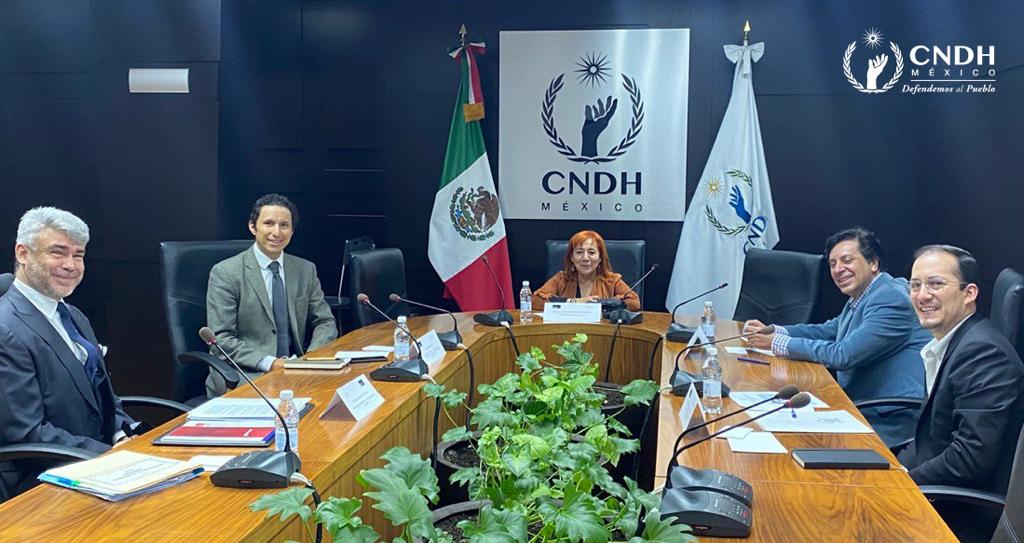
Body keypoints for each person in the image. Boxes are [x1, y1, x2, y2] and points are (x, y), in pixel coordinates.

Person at [742, 227, 929, 447]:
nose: (839, 269)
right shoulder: (865, 295)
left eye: (847, 260)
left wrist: (778, 343)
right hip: (860, 406)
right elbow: (827, 330)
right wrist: (774, 330)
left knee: (794, 439)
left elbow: (843, 355)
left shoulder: (889, 299)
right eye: (833, 264)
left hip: (887, 417)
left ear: (873, 263)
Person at [0, 207, 136, 500]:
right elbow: (26, 433)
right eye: (58, 252)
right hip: (42, 482)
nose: (71, 265)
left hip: (98, 465)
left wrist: (123, 434)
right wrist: (110, 455)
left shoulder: (73, 316)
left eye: (78, 255)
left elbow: (104, 396)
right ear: (23, 254)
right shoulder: (5, 328)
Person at [899, 245, 1024, 494]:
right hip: (931, 484)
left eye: (935, 284)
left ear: (969, 293)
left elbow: (968, 461)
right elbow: (934, 439)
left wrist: (900, 483)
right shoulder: (953, 342)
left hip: (954, 505)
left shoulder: (984, 354)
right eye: (915, 285)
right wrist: (892, 466)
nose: (922, 296)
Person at [205, 194, 337, 396]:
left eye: (284, 225)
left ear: (292, 231)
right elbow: (221, 339)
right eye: (268, 223)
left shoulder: (305, 270)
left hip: (297, 370)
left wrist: (311, 358)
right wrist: (271, 363)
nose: (277, 232)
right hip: (245, 373)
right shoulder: (226, 272)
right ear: (253, 227)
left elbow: (325, 321)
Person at [532, 230, 641, 311]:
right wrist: (575, 302)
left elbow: (634, 302)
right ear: (572, 258)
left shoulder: (612, 280)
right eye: (579, 252)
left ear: (600, 258)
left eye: (591, 252)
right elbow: (535, 300)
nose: (585, 258)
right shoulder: (561, 279)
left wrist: (597, 303)